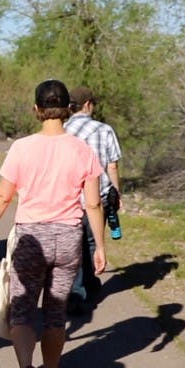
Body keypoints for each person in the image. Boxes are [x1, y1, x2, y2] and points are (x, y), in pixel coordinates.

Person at [0, 79, 105, 368]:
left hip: (31, 238)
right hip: (68, 237)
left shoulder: (22, 148)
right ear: (68, 109)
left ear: (36, 110)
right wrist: (99, 246)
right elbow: (93, 205)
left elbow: (1, 197)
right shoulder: (83, 150)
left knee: (22, 311)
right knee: (56, 315)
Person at [64, 86, 122, 312]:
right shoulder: (104, 130)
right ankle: (82, 288)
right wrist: (116, 191)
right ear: (88, 104)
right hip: (99, 193)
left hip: (70, 196)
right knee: (91, 239)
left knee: (76, 242)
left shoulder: (63, 130)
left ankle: (79, 287)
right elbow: (112, 164)